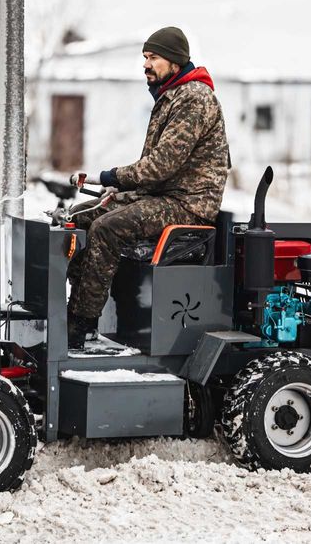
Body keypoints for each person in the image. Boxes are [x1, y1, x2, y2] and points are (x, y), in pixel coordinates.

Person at [65, 26, 230, 349]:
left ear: (174, 61)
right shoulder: (172, 96)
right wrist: (119, 192)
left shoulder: (194, 98)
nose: (146, 64)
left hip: (189, 204)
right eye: (145, 57)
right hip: (165, 194)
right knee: (81, 215)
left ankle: (82, 323)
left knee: (108, 227)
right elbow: (158, 170)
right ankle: (76, 307)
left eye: (153, 57)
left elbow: (161, 166)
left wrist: (110, 177)